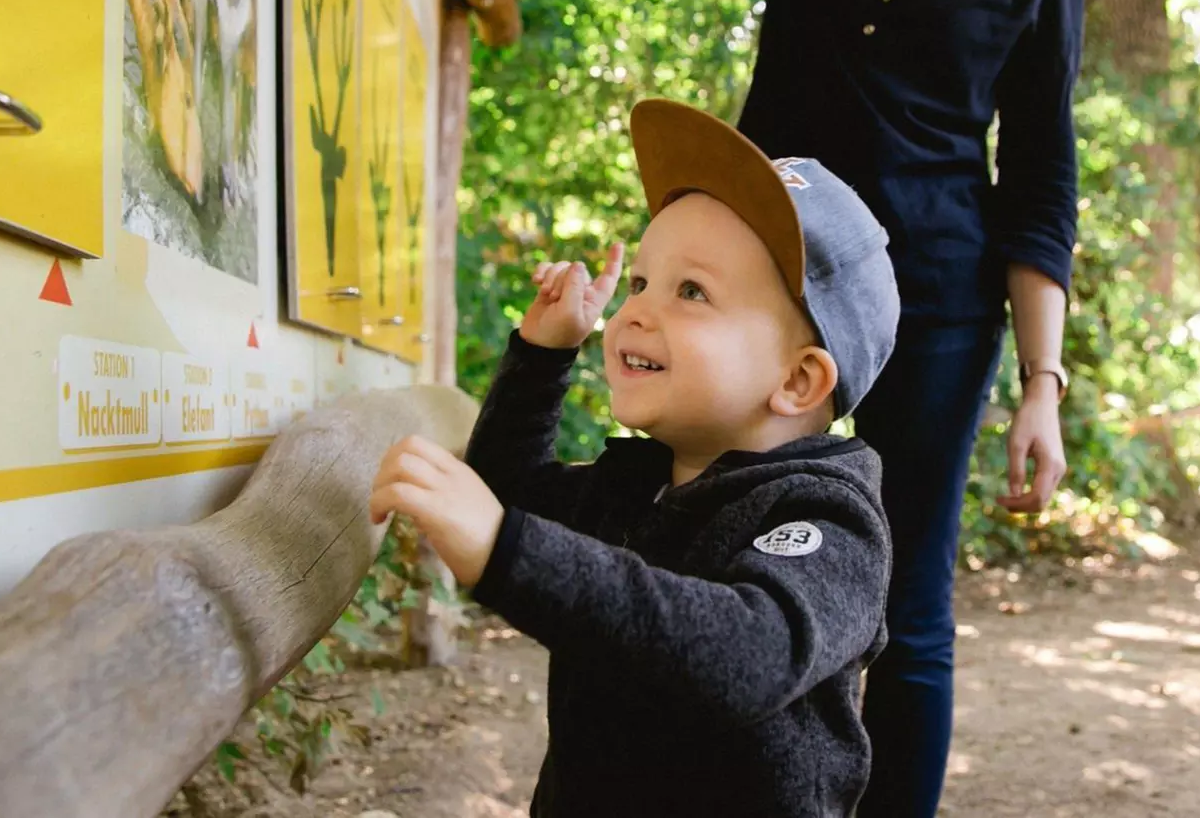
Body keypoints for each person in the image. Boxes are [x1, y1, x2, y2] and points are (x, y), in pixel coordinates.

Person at [683, 0, 1119, 811]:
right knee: (740, 562)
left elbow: (1037, 176)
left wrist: (1042, 385)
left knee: (905, 612)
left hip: (937, 307)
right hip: (768, 289)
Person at [369, 99, 901, 816]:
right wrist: (543, 355)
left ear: (798, 380)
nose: (635, 311)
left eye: (692, 291)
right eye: (642, 282)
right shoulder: (639, 485)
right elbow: (508, 499)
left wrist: (502, 547)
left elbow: (747, 655)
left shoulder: (828, 518)